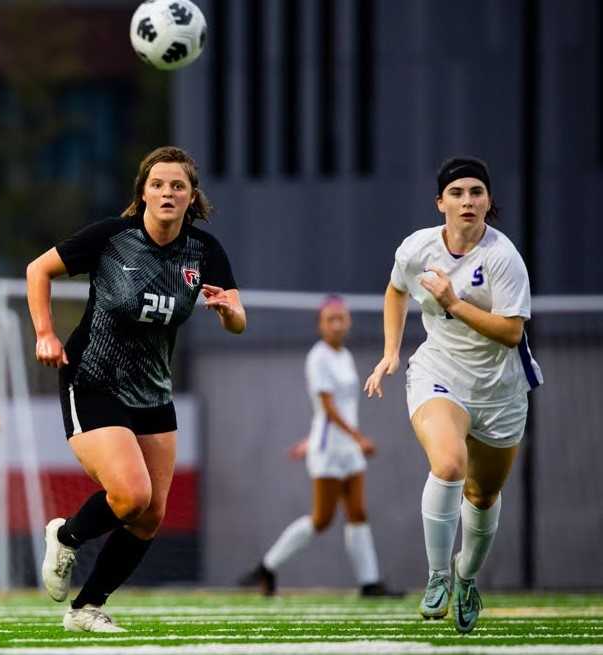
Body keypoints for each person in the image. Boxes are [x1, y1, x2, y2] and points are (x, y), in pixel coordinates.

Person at [27, 146, 245, 633]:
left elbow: (238, 319)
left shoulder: (203, 251)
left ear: (192, 197)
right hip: (93, 379)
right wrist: (44, 331)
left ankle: (85, 609)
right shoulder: (112, 237)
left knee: (149, 517)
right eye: (159, 184)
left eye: (178, 186)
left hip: (153, 392)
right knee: (130, 495)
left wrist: (230, 313)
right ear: (142, 192)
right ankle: (66, 535)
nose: (168, 192)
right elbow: (37, 270)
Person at [364, 157, 543, 634]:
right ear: (440, 202)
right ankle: (438, 575)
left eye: (477, 192)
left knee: (482, 496)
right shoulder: (418, 248)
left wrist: (452, 303)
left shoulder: (503, 258)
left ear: (488, 201)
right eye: (458, 193)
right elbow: (395, 290)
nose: (468, 201)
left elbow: (509, 333)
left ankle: (466, 577)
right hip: (438, 372)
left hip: (501, 389)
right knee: (447, 465)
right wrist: (391, 352)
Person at [240, 296, 400, 598]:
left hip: (347, 449)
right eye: (330, 319)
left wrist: (331, 440)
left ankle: (369, 583)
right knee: (322, 519)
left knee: (358, 512)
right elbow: (327, 409)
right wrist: (358, 438)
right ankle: (267, 566)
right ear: (320, 325)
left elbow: (337, 408)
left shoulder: (345, 356)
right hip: (330, 451)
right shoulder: (319, 357)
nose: (337, 324)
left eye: (341, 318)